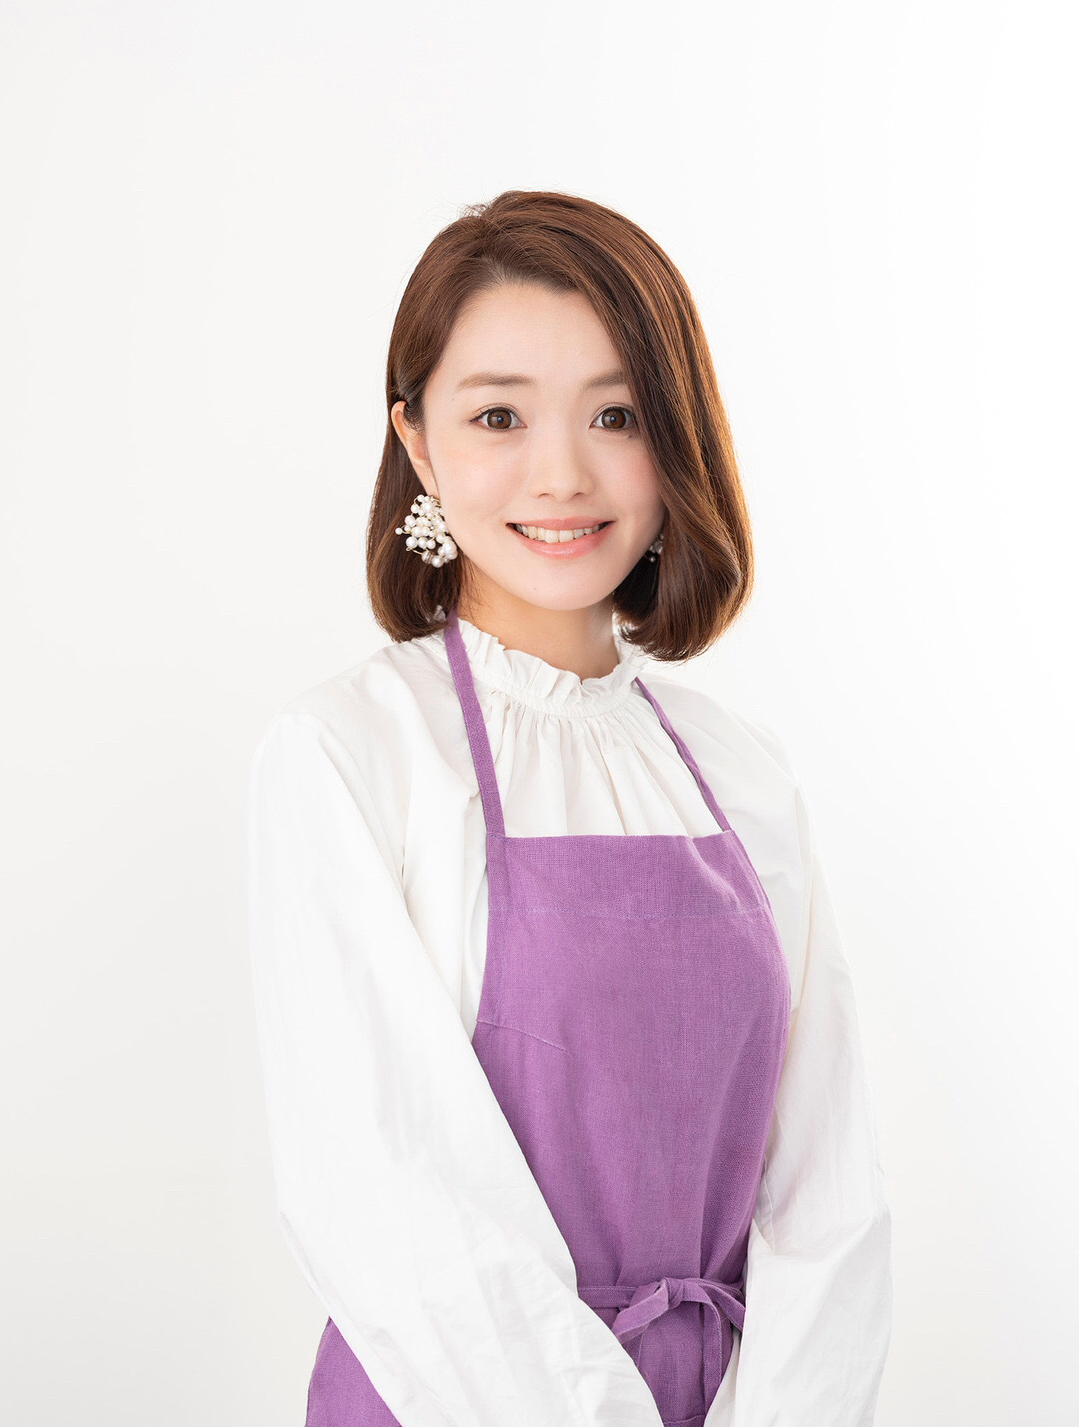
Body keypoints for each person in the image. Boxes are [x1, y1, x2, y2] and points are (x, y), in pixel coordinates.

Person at [247, 188, 893, 1427]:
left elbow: (829, 1192)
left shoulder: (743, 770)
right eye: (499, 415)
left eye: (617, 414)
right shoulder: (350, 753)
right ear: (417, 442)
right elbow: (386, 1196)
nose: (562, 473)